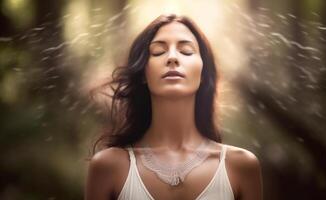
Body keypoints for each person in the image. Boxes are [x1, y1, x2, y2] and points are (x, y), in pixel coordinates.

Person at [85, 14, 263, 200]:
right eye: (158, 52)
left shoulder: (240, 166)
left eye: (186, 51)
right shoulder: (108, 167)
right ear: (143, 74)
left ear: (203, 73)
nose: (172, 58)